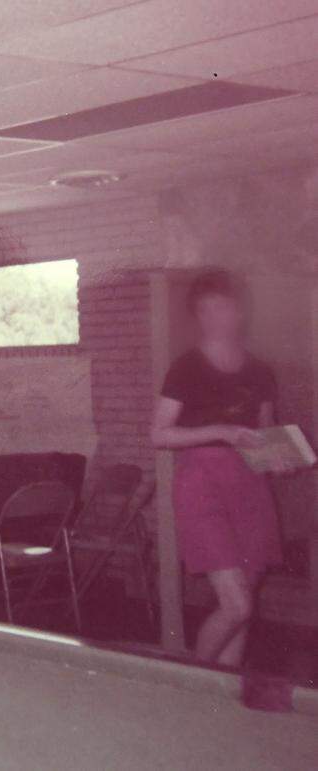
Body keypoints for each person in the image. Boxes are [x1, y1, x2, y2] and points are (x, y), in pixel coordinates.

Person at [151, 269, 284, 667]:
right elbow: (159, 434)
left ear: (239, 311)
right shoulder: (186, 368)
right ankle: (187, 682)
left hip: (250, 487)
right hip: (201, 485)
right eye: (205, 310)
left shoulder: (260, 371)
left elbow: (266, 432)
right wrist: (221, 431)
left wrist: (280, 458)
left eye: (221, 308)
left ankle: (220, 693)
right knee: (236, 604)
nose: (213, 318)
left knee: (244, 607)